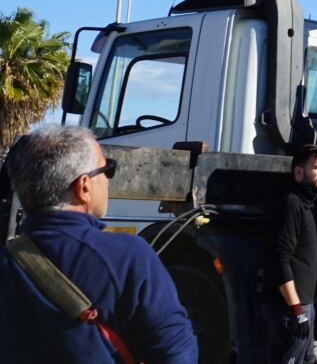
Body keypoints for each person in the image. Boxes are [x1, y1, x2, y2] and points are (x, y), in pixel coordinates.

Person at [0, 124, 197, 363]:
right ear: (83, 186)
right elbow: (176, 353)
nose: (107, 179)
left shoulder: (7, 262)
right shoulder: (129, 257)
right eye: (107, 169)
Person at [267, 145, 317, 364]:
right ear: (299, 172)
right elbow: (279, 258)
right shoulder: (291, 205)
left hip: (305, 306)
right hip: (291, 309)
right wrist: (296, 309)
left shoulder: (305, 207)